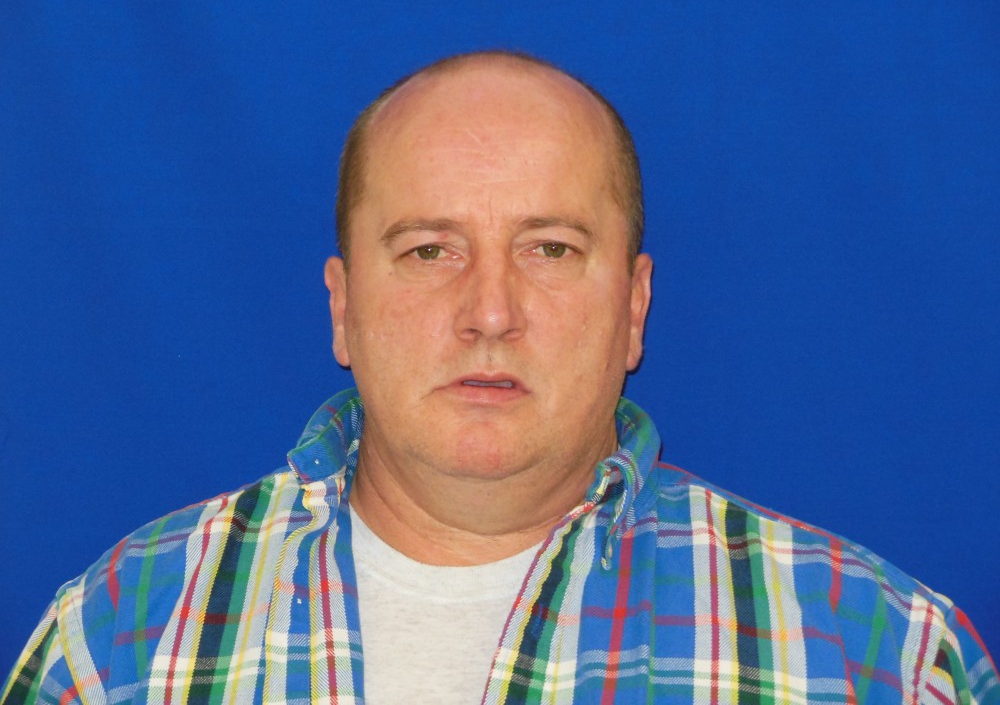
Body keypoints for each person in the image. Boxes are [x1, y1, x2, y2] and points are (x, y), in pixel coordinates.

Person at [2, 51, 997, 704]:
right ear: (342, 308)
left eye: (551, 249)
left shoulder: (877, 657)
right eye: (429, 250)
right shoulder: (120, 638)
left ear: (635, 308)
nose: (488, 311)